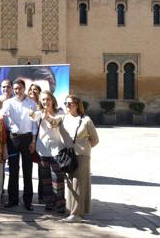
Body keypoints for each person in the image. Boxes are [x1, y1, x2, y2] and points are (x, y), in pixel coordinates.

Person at [0, 78, 37, 211]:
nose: (17, 91)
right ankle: (13, 199)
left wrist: (33, 141)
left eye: (19, 88)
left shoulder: (31, 104)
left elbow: (34, 124)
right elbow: (1, 114)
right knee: (13, 170)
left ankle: (28, 201)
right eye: (15, 89)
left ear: (24, 88)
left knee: (28, 170)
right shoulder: (8, 102)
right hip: (13, 139)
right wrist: (2, 115)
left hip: (27, 139)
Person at [61, 94, 99, 222]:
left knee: (79, 183)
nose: (68, 105)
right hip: (68, 155)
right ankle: (74, 210)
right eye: (66, 103)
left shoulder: (86, 120)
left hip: (82, 155)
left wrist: (84, 147)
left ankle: (76, 214)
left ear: (77, 105)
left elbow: (95, 139)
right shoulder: (63, 118)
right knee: (71, 184)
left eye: (70, 103)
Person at [36, 90, 66, 214]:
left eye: (47, 99)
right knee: (46, 180)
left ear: (52, 100)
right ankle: (49, 203)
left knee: (57, 179)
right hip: (42, 150)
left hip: (57, 150)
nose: (45, 102)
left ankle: (60, 205)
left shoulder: (60, 112)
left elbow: (55, 123)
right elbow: (30, 118)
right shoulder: (39, 113)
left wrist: (47, 116)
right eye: (43, 100)